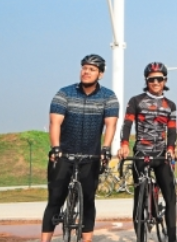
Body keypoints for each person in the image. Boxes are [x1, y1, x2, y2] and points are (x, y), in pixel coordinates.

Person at [40, 54, 119, 242]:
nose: (86, 72)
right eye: (84, 68)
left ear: (100, 74)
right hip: (64, 154)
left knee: (88, 200)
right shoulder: (64, 93)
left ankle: (87, 239)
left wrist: (106, 148)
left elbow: (111, 125)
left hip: (90, 157)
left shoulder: (109, 97)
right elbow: (55, 123)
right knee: (55, 200)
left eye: (92, 69)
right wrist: (56, 148)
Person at [118, 62, 177, 242]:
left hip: (161, 155)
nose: (156, 82)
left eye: (159, 79)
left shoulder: (170, 105)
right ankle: (140, 237)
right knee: (138, 199)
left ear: (165, 80)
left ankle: (172, 238)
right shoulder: (136, 101)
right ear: (147, 80)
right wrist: (124, 144)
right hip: (141, 154)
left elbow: (172, 130)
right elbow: (127, 124)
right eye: (152, 79)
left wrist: (170, 149)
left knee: (171, 197)